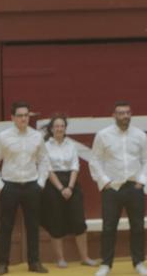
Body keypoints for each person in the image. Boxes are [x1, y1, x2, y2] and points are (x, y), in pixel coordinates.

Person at [90, 101, 147, 276]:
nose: (125, 116)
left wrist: (141, 181)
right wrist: (104, 182)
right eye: (121, 113)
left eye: (127, 113)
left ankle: (139, 262)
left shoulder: (140, 135)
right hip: (112, 189)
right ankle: (106, 264)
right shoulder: (103, 135)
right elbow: (95, 160)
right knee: (109, 227)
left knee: (138, 226)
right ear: (114, 115)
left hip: (134, 187)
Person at [0, 101, 50, 275]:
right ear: (13, 118)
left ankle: (34, 262)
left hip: (31, 185)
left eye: (26, 115)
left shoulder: (37, 136)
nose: (24, 118)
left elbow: (44, 160)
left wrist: (41, 183)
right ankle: (2, 264)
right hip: (10, 186)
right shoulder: (3, 137)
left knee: (33, 225)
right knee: (6, 226)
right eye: (20, 115)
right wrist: (1, 186)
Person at [39, 114, 97, 268]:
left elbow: (75, 167)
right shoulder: (45, 146)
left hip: (71, 184)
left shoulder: (71, 144)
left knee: (79, 220)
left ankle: (84, 257)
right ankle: (60, 259)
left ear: (65, 129)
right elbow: (48, 169)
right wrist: (61, 188)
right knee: (56, 220)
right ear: (51, 129)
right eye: (56, 126)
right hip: (53, 184)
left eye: (62, 126)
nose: (59, 129)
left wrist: (70, 187)